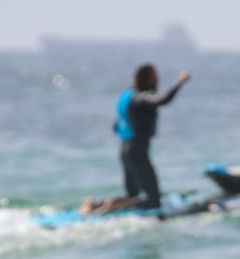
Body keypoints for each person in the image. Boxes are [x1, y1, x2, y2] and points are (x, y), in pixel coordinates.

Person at [82, 63, 191, 216]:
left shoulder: (127, 96)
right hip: (138, 152)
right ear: (149, 80)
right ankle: (111, 204)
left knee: (133, 197)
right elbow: (162, 100)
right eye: (155, 77)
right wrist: (181, 81)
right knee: (154, 201)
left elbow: (116, 126)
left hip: (125, 150)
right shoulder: (142, 98)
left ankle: (96, 205)